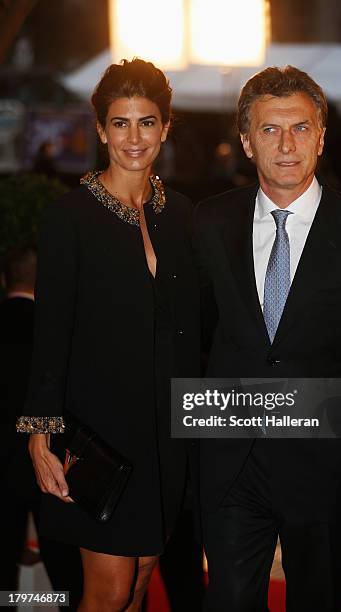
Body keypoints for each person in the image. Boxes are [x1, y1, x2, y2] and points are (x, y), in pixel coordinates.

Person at [193, 66, 341, 612]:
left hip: (325, 465)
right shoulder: (209, 223)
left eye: (300, 128)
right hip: (228, 461)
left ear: (321, 135)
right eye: (269, 130)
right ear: (246, 141)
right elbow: (192, 341)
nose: (286, 144)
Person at [17, 58, 199, 611]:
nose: (134, 137)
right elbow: (51, 332)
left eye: (146, 122)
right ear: (100, 130)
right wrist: (40, 431)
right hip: (98, 432)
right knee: (110, 587)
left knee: (143, 576)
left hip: (165, 433)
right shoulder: (68, 218)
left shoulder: (184, 216)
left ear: (166, 127)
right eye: (120, 123)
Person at [0, 247, 83, 610]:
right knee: (69, 576)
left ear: (6, 281)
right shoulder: (60, 330)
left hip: (1, 470)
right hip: (52, 466)